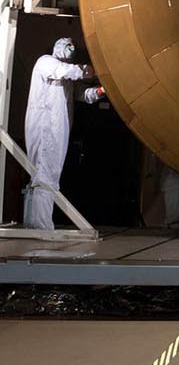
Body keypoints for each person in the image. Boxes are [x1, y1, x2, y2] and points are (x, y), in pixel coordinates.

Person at [22, 38, 103, 230]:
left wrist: (102, 90)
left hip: (58, 130)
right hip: (45, 127)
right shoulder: (46, 62)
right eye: (67, 46)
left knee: (47, 175)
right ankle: (42, 227)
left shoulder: (67, 80)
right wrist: (92, 70)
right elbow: (65, 71)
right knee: (44, 174)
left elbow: (85, 94)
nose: (71, 49)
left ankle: (35, 224)